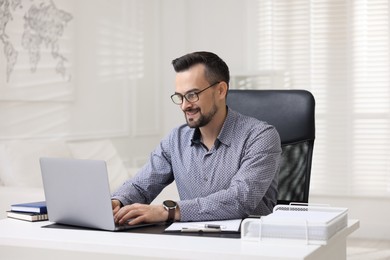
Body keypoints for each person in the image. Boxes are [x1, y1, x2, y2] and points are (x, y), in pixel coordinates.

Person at [112, 51, 281, 226]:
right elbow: (141, 186)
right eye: (180, 97)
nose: (185, 106)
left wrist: (168, 211)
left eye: (192, 95)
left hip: (246, 243)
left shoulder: (261, 136)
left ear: (221, 90)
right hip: (191, 240)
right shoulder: (175, 140)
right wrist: (117, 202)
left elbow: (240, 199)